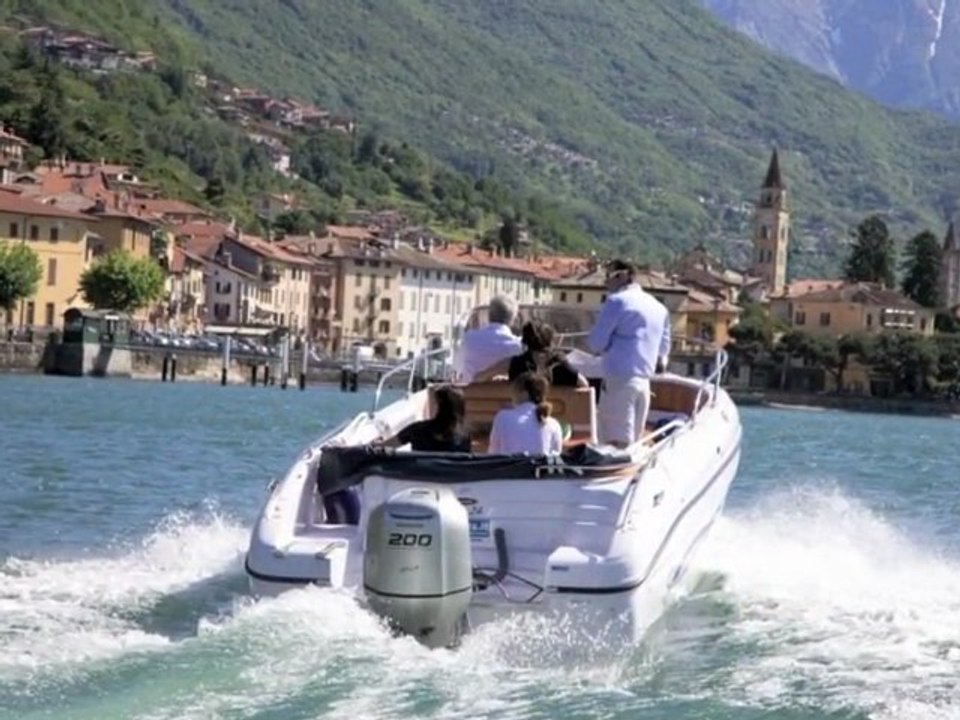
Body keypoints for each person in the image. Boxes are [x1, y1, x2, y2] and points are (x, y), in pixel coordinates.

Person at [587, 259, 670, 448]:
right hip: (644, 383)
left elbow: (595, 344)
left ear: (622, 276)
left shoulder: (616, 302)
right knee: (633, 441)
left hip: (619, 381)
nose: (605, 283)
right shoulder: (659, 308)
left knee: (615, 443)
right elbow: (664, 350)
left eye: (608, 276)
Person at [488, 372, 564, 455]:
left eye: (514, 391)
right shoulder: (554, 424)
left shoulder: (502, 417)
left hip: (511, 468)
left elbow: (493, 454)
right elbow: (556, 459)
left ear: (524, 393)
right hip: (539, 468)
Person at [453, 294, 522, 382]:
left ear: (489, 315)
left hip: (470, 394)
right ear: (513, 320)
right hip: (505, 395)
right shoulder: (518, 347)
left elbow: (457, 369)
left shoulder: (469, 339)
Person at [506, 320, 587, 387]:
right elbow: (584, 385)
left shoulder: (518, 366)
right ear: (550, 341)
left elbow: (496, 371)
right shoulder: (561, 368)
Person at [397, 385, 472, 452]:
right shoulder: (464, 437)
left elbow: (388, 445)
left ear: (438, 407)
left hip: (422, 467)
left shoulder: (417, 430)